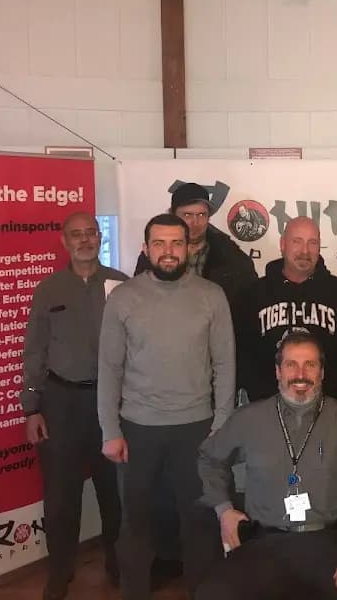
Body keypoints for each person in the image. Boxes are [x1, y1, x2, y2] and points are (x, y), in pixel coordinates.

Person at [196, 331, 337, 600]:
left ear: (322, 372)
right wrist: (224, 511)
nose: (300, 374)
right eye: (291, 364)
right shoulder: (249, 419)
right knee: (212, 595)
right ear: (278, 371)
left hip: (329, 542)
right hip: (264, 543)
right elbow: (209, 459)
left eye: (310, 365)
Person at [97, 213, 236, 600]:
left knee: (199, 522)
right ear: (146, 249)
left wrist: (221, 424)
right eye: (159, 243)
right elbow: (109, 368)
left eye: (176, 243)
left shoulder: (211, 296)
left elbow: (225, 364)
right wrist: (110, 430)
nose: (168, 251)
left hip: (197, 428)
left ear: (189, 247)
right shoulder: (123, 298)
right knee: (137, 523)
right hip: (137, 429)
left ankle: (204, 593)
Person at [20, 212, 127, 600]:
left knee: (114, 492)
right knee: (62, 495)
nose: (84, 240)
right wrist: (31, 408)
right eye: (76, 235)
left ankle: (118, 564)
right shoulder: (48, 289)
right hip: (61, 402)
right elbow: (34, 350)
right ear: (64, 241)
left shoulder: (122, 284)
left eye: (91, 233)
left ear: (101, 238)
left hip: (110, 403)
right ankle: (60, 571)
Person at [234, 216, 337, 404]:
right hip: (267, 411)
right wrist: (263, 395)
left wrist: (334, 394)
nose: (305, 251)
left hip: (329, 409)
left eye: (312, 242)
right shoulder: (251, 296)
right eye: (297, 241)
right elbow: (239, 351)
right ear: (283, 244)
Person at [133, 181, 257, 305]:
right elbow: (137, 300)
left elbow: (249, 306)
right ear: (173, 215)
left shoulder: (233, 258)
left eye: (202, 215)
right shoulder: (154, 255)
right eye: (187, 215)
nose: (195, 222)